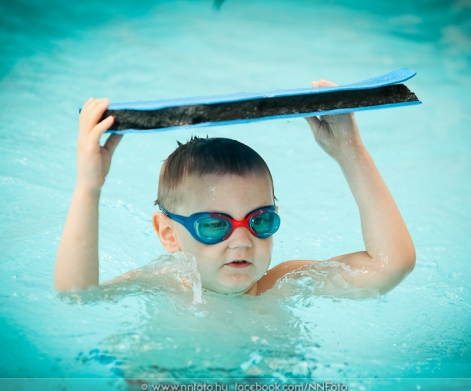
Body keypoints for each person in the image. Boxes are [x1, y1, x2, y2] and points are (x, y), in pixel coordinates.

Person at [54, 79, 416, 297]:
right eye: (215, 224)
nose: (242, 241)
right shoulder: (161, 286)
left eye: (260, 221)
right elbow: (77, 299)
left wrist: (350, 152)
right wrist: (89, 187)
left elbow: (391, 266)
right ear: (168, 234)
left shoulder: (283, 285)